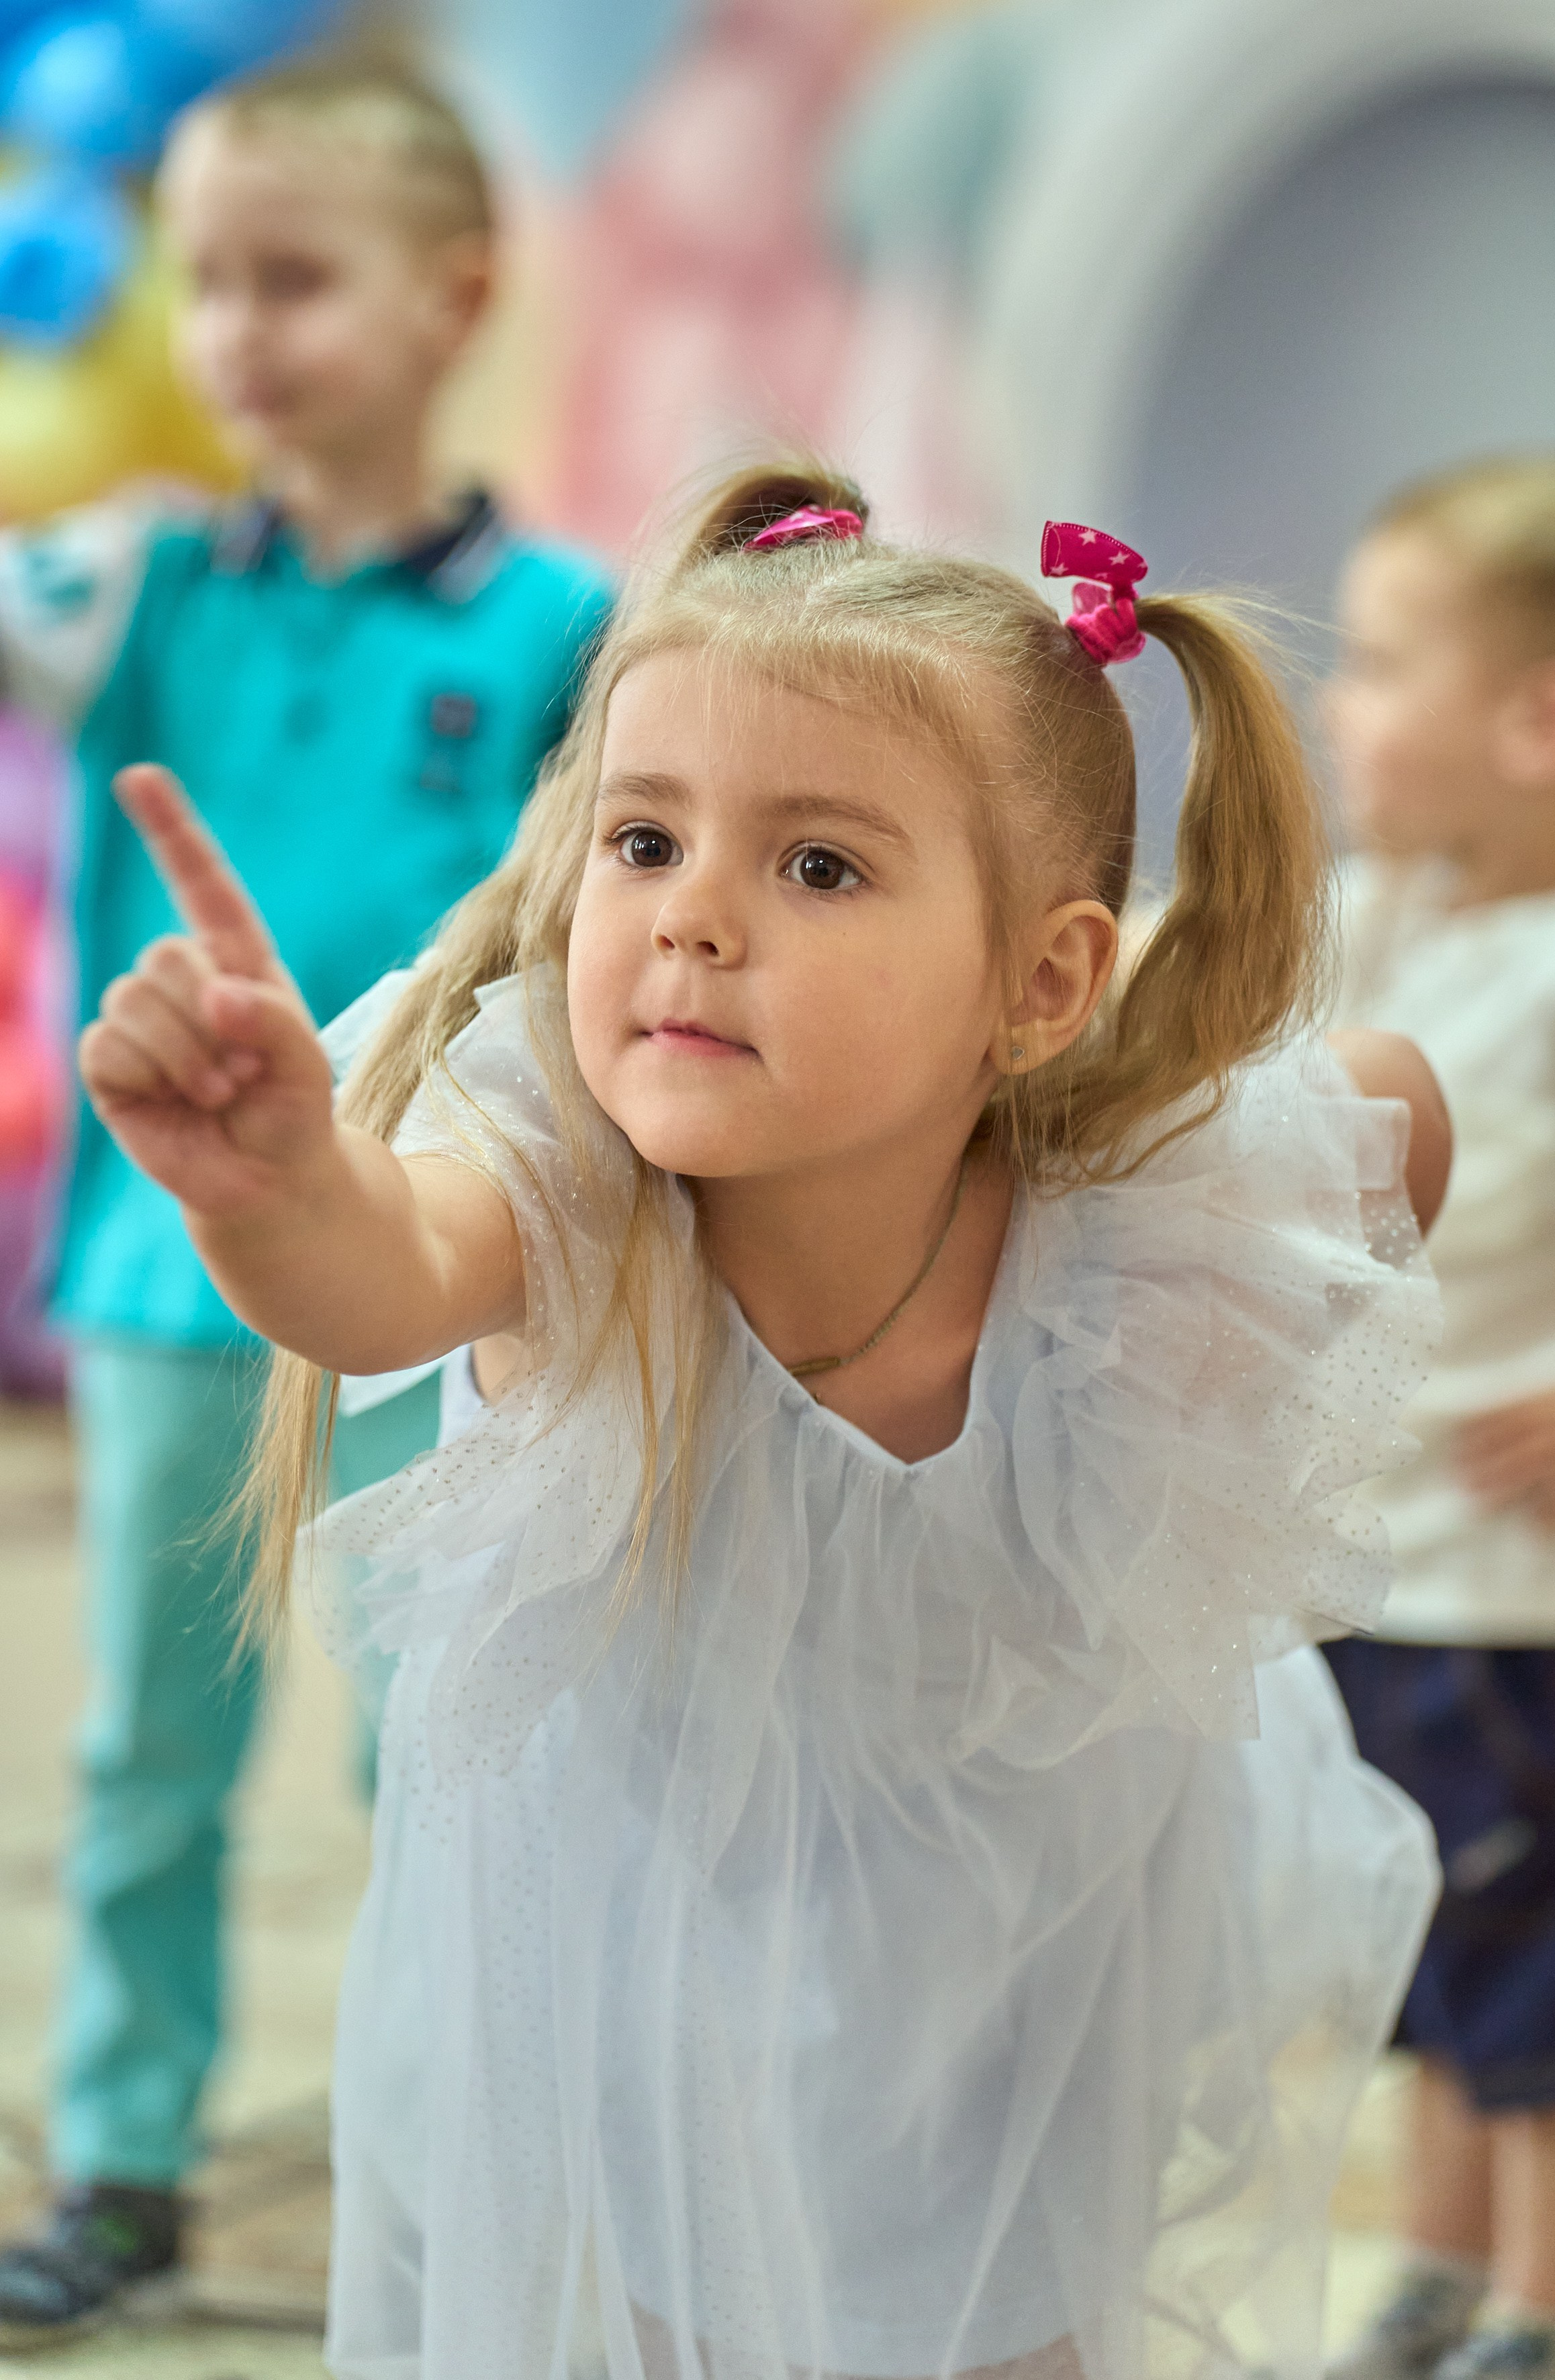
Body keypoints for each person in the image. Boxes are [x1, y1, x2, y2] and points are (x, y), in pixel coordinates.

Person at [77, 465, 1449, 2380]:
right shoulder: (563, 1180)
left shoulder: (1122, 1239)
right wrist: (271, 1188)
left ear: (1041, 975)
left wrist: (1101, 1014)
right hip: (655, 1958)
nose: (693, 923)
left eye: (817, 867)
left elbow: (1389, 1106)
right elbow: (381, 1268)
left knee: (1009, 2329)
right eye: (643, 842)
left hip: (1017, 1957)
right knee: (673, 2319)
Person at [0, 60, 609, 2346]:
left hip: (436, 1284)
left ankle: (460, 2148)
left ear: (455, 297)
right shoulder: (129, 584)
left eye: (294, 276)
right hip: (166, 1284)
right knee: (141, 1755)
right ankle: (125, 2157)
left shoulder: (563, 631)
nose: (236, 328)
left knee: (429, 1752)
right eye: (204, 281)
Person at [1323, 457, 1555, 2380]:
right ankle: (1429, 2263)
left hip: (1528, 1596)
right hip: (1386, 1560)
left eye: (1383, 661)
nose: (1343, 705)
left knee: (1543, 1967)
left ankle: (1547, 2300)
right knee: (1425, 1946)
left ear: (1543, 716)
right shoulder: (1379, 916)